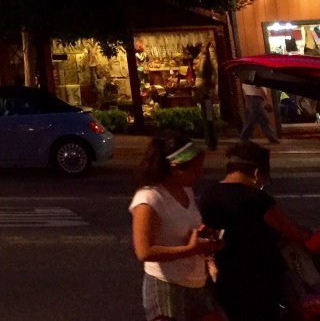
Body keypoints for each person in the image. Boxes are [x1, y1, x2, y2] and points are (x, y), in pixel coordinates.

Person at [199, 141, 319, 321]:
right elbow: (294, 233)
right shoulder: (256, 199)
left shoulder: (209, 195)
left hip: (224, 278)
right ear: (256, 173)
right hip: (259, 281)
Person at [129, 134, 225, 321]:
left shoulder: (185, 190)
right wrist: (191, 249)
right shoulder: (149, 198)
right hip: (166, 285)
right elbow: (144, 252)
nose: (199, 174)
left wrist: (206, 236)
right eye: (194, 170)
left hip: (196, 283)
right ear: (174, 168)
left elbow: (188, 227)